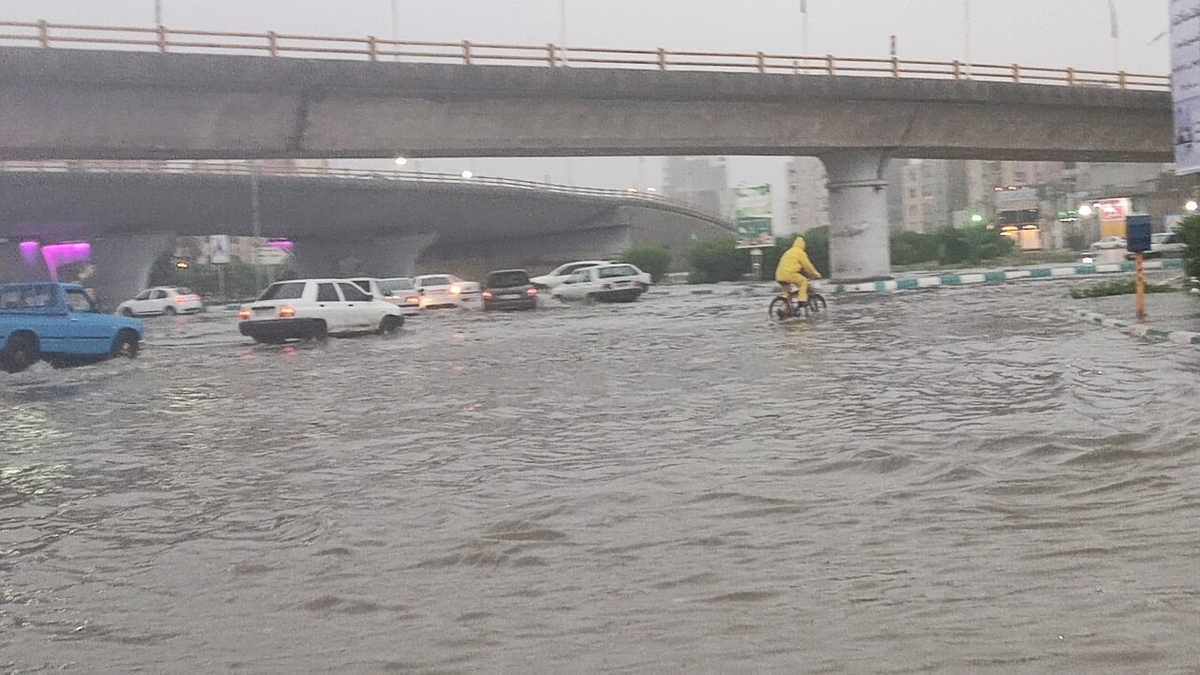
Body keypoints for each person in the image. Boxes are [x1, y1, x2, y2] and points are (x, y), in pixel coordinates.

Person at [774, 236, 821, 314]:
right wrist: (816, 275)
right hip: (789, 274)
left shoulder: (788, 251)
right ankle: (801, 300)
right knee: (803, 281)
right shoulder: (800, 252)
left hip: (779, 275)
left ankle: (782, 310)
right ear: (803, 245)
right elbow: (808, 266)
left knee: (788, 294)